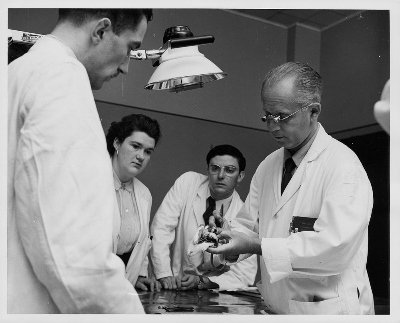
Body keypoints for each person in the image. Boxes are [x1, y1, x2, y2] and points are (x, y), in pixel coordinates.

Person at [8, 9, 153, 313]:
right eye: (130, 48)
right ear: (101, 31)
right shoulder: (63, 78)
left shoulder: (16, 72)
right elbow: (74, 259)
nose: (127, 66)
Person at [208, 62, 374, 314]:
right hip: (277, 308)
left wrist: (256, 246)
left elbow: (333, 248)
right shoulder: (268, 166)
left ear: (314, 112)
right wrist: (228, 236)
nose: (273, 126)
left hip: (329, 312)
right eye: (267, 115)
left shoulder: (343, 166)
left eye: (282, 117)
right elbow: (249, 226)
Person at [150, 145, 257, 291]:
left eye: (229, 170)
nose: (220, 175)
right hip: (173, 283)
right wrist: (163, 274)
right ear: (207, 170)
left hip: (211, 294)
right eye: (215, 168)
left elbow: (243, 275)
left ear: (240, 176)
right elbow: (161, 229)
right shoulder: (188, 183)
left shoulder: (244, 216)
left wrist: (203, 282)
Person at [105, 114, 161, 292]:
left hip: (122, 289)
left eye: (148, 151)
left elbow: (142, 242)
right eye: (135, 146)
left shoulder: (144, 194)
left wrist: (140, 275)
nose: (141, 156)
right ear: (117, 143)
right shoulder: (92, 181)